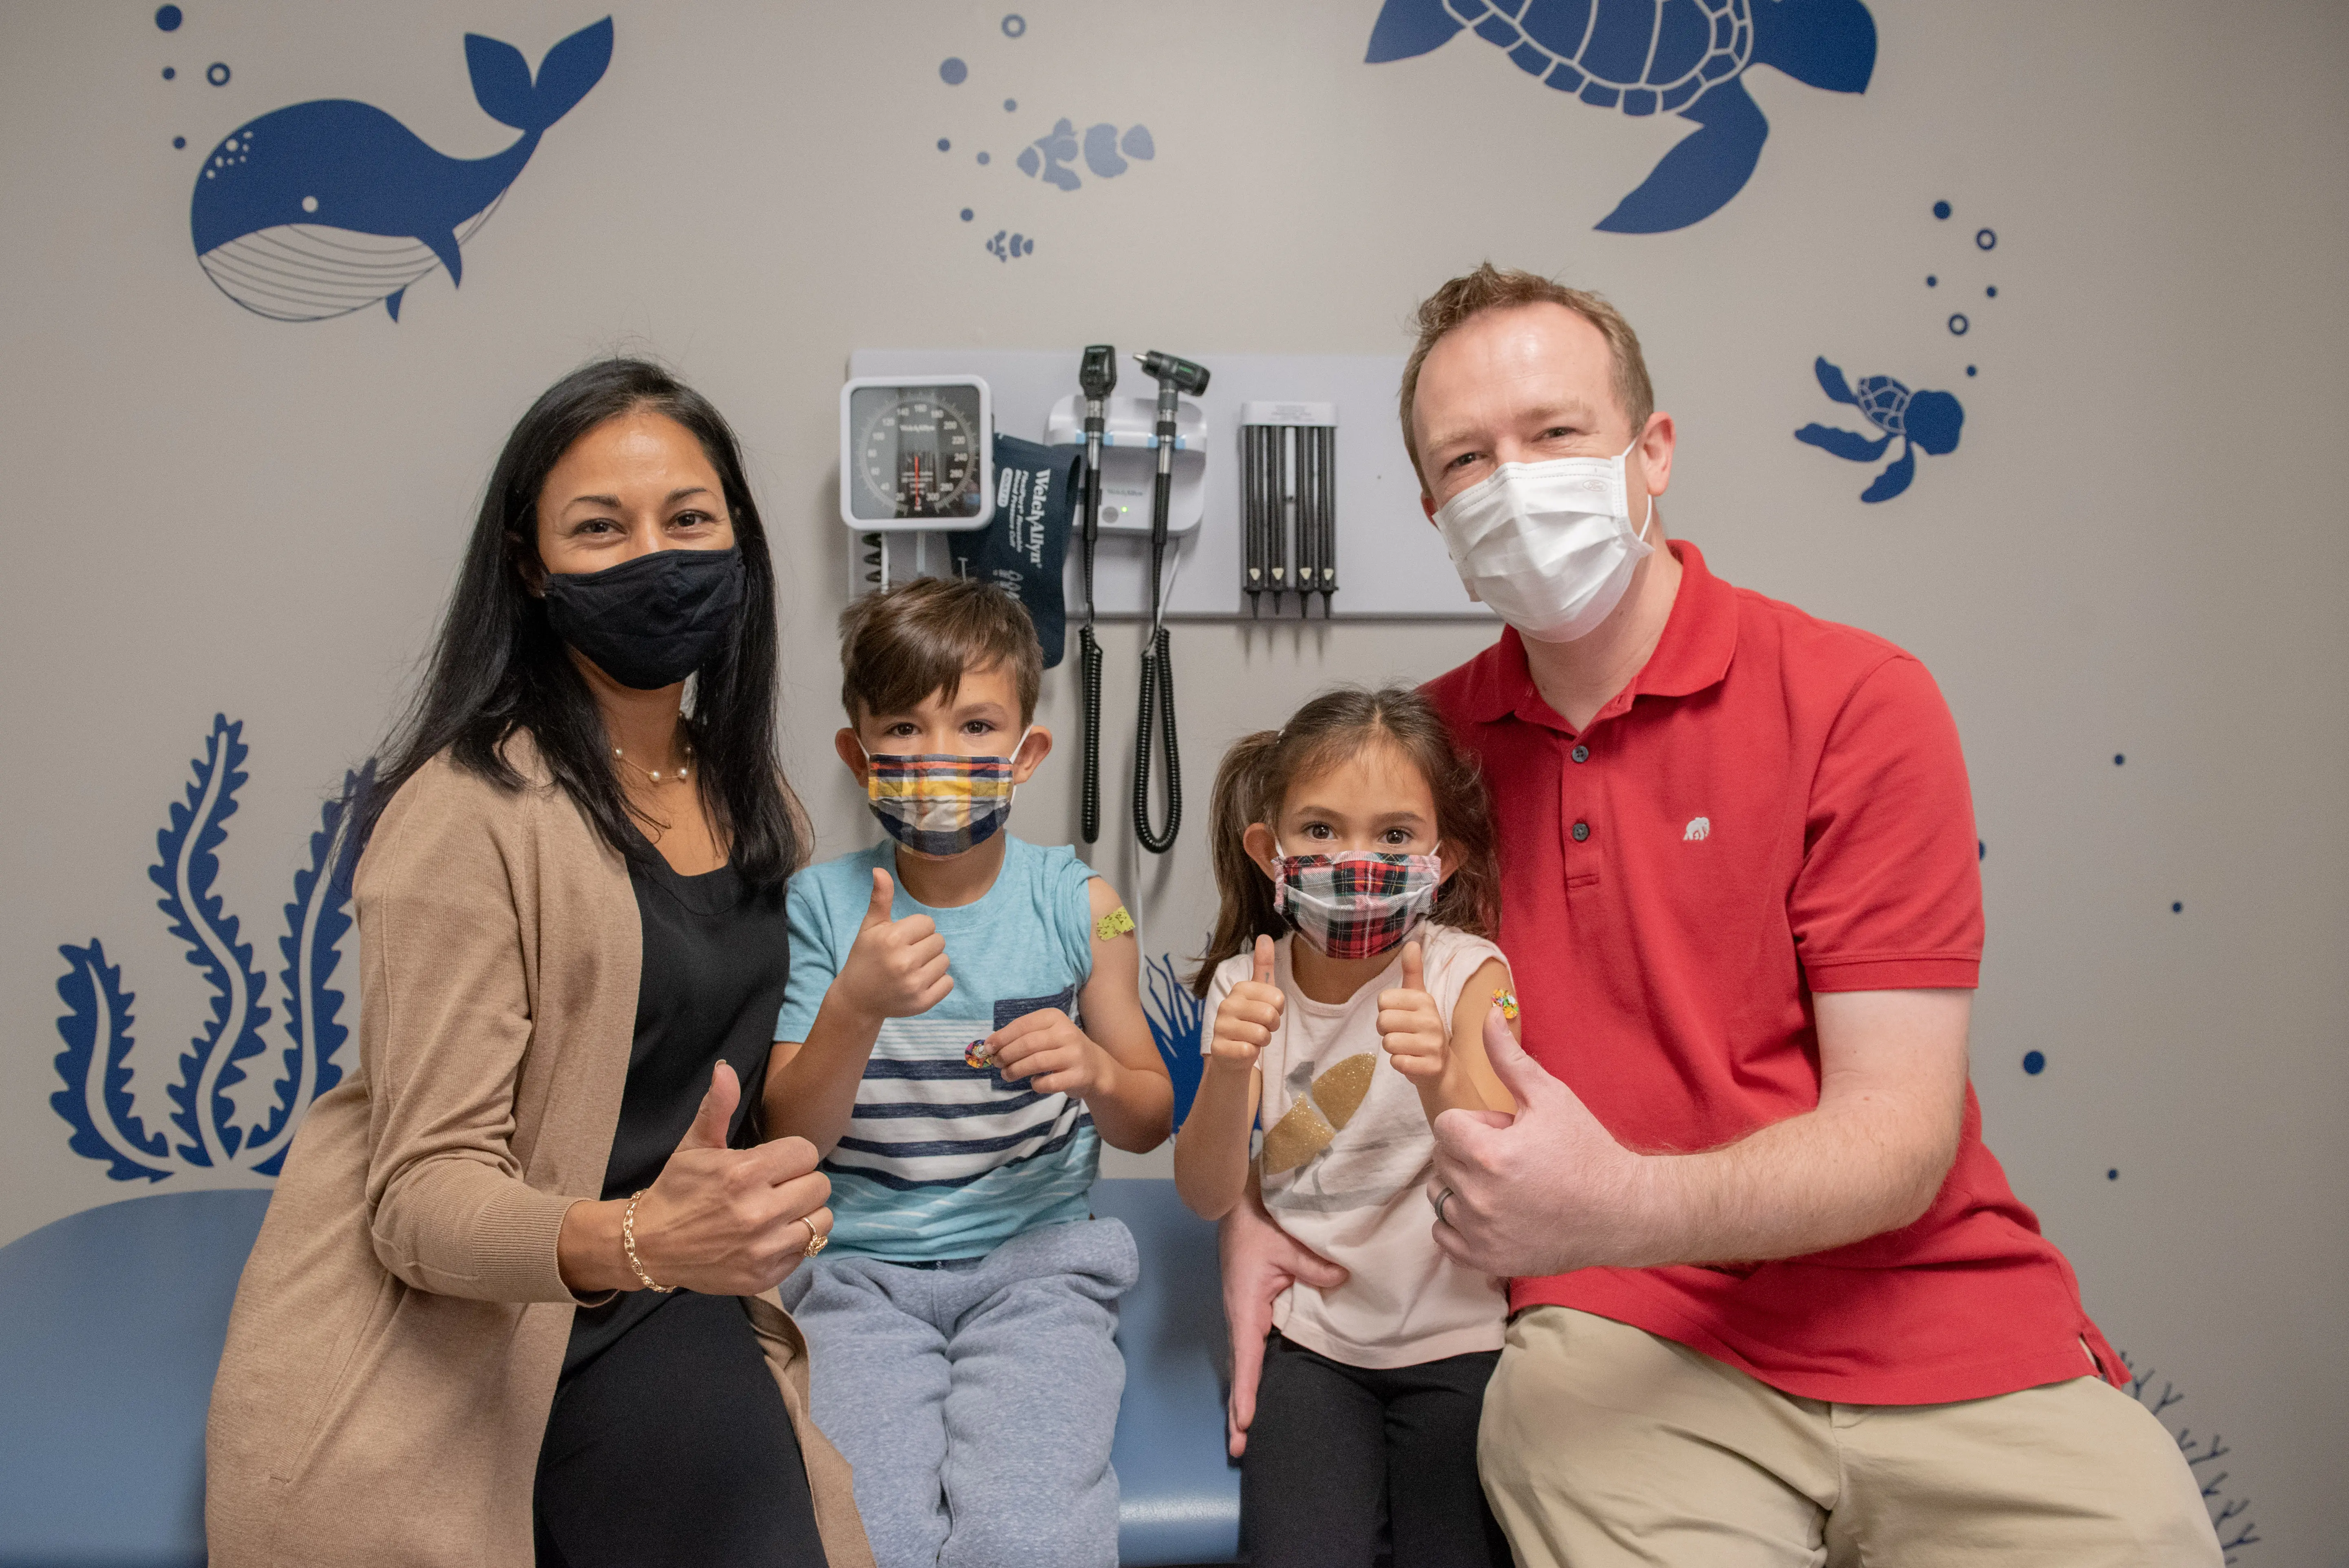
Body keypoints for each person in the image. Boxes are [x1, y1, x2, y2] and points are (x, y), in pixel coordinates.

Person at [1218, 267, 2226, 1566]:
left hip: (1936, 1321)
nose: (1513, 482)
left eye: (1555, 434)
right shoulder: (1418, 775)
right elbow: (1310, 1014)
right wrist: (1261, 1202)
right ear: (1433, 511)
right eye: (1468, 458)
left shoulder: (1857, 699)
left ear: (1654, 453)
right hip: (1618, 1340)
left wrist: (1616, 1201)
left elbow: (1900, 1134)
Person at [206, 359, 872, 1568]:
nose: (654, 558)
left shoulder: (752, 795)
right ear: (533, 565)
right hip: (527, 1310)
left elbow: (748, 1103)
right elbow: (418, 1199)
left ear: (740, 540)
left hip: (684, 1285)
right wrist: (638, 1242)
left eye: (688, 519)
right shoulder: (469, 814)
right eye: (599, 528)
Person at [768, 576, 1173, 1568]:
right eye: (902, 729)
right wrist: (855, 1007)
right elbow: (793, 1139)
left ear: (1027, 753)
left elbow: (1151, 1115)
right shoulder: (820, 906)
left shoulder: (1086, 904)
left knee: (1031, 1534)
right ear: (857, 757)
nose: (937, 756)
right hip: (857, 1269)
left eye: (976, 725)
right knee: (872, 1533)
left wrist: (1094, 1071)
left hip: (1037, 1270)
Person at [1175, 685, 1518, 1568]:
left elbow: (1506, 1171)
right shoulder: (1244, 985)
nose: (1356, 861)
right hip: (1315, 1345)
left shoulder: (1464, 972)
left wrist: (1440, 1073)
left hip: (1461, 1345)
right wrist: (1227, 1069)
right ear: (1269, 851)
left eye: (1394, 837)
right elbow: (1209, 1192)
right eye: (1321, 831)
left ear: (1441, 861)